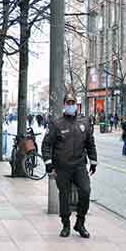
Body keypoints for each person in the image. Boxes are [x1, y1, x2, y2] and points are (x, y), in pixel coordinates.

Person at [42, 94, 97, 239]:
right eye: (68, 102)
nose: (71, 105)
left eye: (73, 102)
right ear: (64, 104)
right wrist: (48, 163)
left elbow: (90, 143)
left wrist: (93, 160)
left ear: (76, 104)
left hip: (79, 166)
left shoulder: (84, 122)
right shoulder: (57, 124)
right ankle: (65, 225)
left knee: (85, 191)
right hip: (63, 167)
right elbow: (46, 144)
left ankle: (80, 223)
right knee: (64, 196)